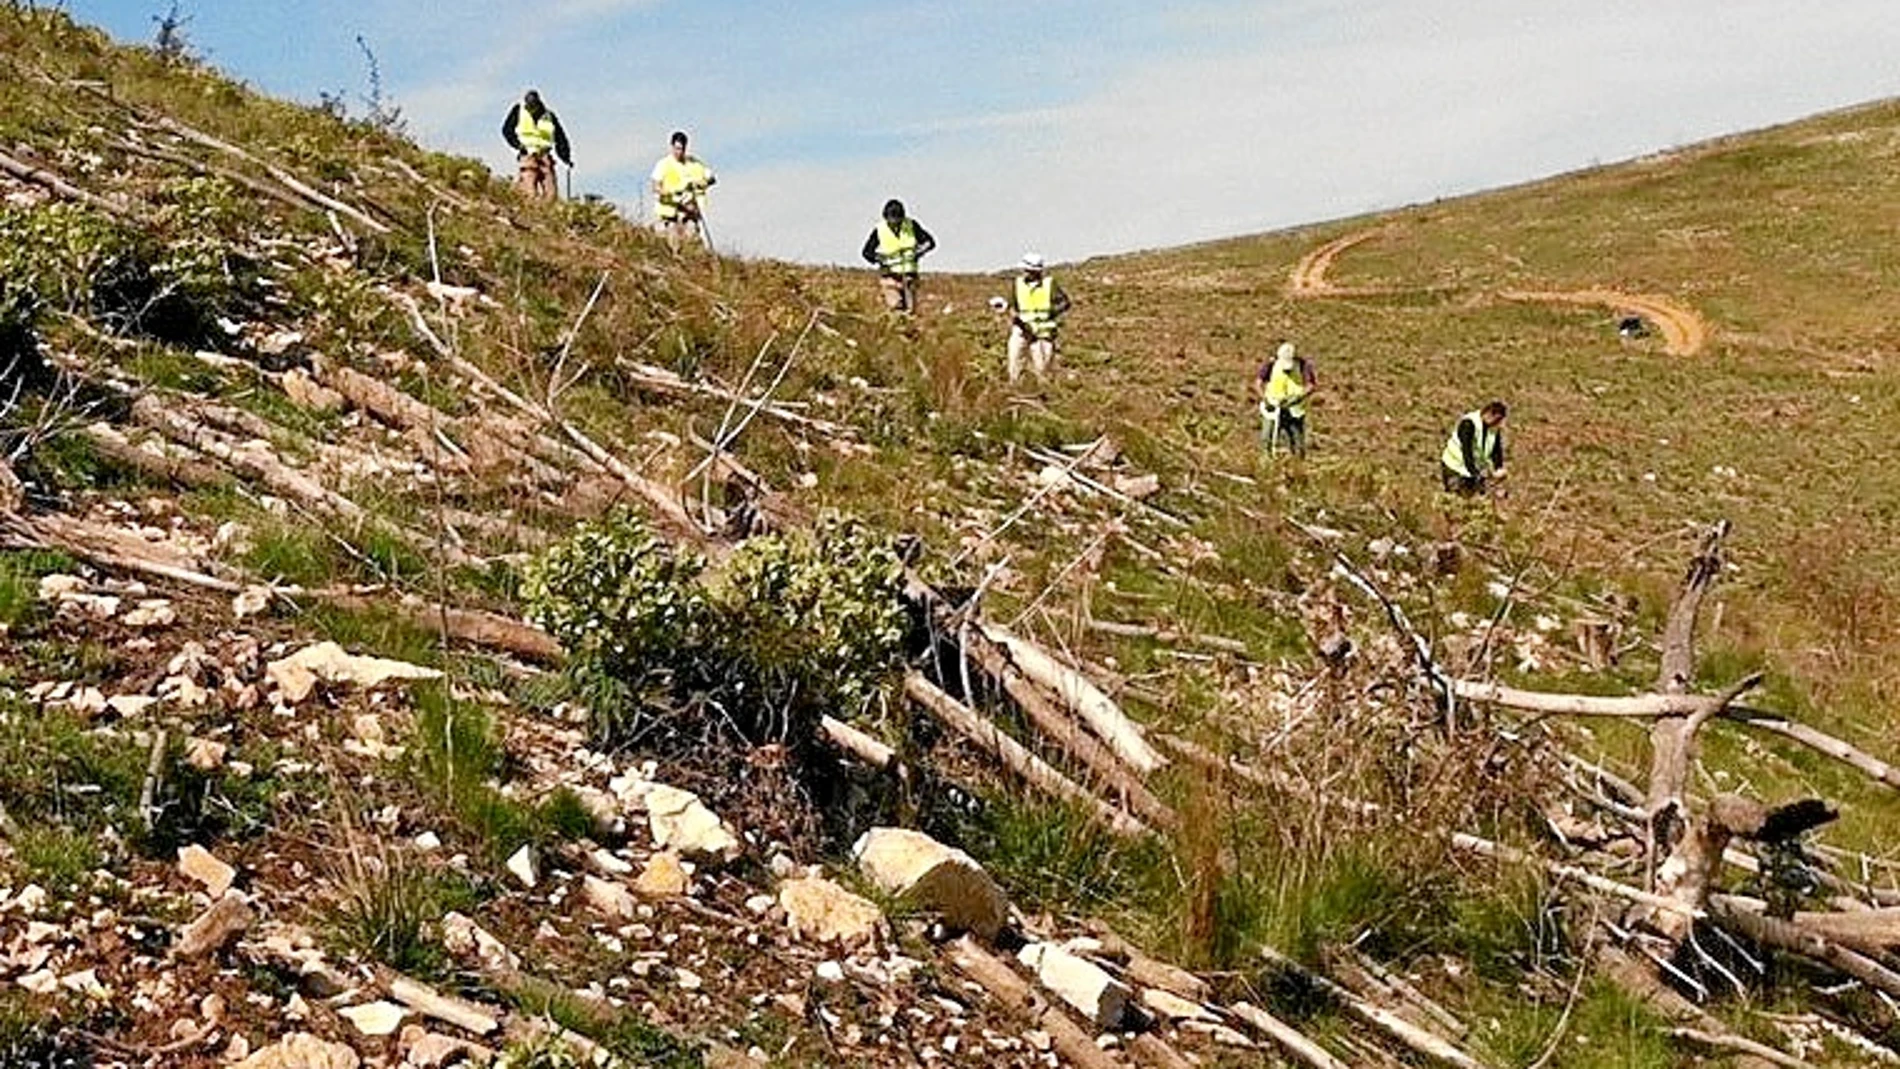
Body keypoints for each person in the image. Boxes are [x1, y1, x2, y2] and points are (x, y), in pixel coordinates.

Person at [996, 252, 1071, 383]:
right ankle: (1015, 389)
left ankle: (1043, 394)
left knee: (1042, 369)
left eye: (1026, 270)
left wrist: (1051, 313)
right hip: (1021, 329)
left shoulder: (1049, 284)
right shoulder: (1018, 284)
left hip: (1042, 333)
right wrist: (1008, 309)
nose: (1023, 272)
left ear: (1034, 271)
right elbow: (1013, 305)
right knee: (1014, 362)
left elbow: (1065, 303)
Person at [860, 199, 937, 314]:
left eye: (897, 220)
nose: (894, 223)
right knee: (895, 307)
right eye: (891, 220)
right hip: (890, 277)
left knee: (910, 312)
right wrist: (878, 258)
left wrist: (919, 252)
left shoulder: (911, 225)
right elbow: (866, 252)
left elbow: (930, 242)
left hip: (909, 277)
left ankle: (908, 330)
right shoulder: (880, 230)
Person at [500, 90, 572, 200]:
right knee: (529, 193)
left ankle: (546, 214)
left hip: (545, 157)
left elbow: (560, 138)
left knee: (551, 195)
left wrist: (565, 157)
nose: (531, 107)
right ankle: (525, 208)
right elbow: (507, 130)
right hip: (528, 155)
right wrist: (518, 145)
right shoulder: (519, 110)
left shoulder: (549, 116)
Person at [650, 131, 716, 248]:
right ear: (672, 147)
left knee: (692, 244)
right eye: (677, 148)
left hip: (689, 215)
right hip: (669, 215)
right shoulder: (664, 164)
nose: (679, 152)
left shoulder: (694, 164)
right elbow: (655, 186)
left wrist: (702, 183)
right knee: (672, 245)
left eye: (681, 149)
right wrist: (671, 194)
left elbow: (711, 177)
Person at [1252, 341, 1317, 458]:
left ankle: (1297, 465)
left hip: (1294, 410)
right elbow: (1258, 383)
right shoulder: (1270, 364)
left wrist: (1298, 397)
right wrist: (1265, 398)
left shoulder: (1303, 365)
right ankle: (1267, 463)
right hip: (1272, 408)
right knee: (1267, 438)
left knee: (1297, 442)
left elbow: (1311, 385)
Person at [1440, 400, 1508, 495]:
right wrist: (1476, 474)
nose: (1498, 423)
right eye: (1497, 420)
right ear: (1489, 414)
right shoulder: (1468, 424)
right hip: (1454, 467)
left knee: (1473, 498)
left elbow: (1496, 450)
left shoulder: (1493, 428)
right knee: (1457, 497)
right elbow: (1467, 452)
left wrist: (1498, 467)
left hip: (1473, 469)